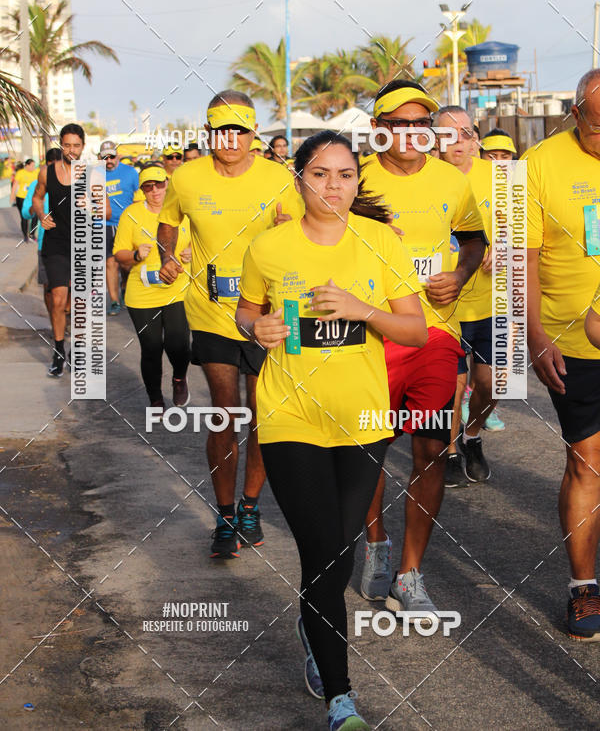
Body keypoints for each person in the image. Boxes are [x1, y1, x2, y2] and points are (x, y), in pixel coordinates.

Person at [236, 129, 426, 731]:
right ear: (299, 179)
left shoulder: (380, 244)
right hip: (290, 417)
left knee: (339, 552)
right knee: (322, 556)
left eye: (345, 174)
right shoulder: (268, 247)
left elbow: (415, 332)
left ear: (357, 181)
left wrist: (360, 309)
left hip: (362, 419)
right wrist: (256, 328)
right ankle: (340, 698)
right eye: (320, 174)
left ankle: (310, 624)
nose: (333, 186)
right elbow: (247, 308)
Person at [358, 80, 486, 612]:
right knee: (368, 451)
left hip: (435, 334)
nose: (412, 133)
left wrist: (458, 273)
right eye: (400, 123)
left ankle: (410, 574)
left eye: (421, 124)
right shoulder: (352, 179)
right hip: (368, 338)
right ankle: (376, 545)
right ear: (379, 130)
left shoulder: (452, 182)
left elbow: (474, 239)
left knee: (431, 449)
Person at [157, 91, 302, 558]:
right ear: (209, 133)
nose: (232, 139)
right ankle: (223, 517)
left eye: (241, 130)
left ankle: (250, 507)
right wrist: (166, 255)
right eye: (223, 129)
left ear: (252, 134)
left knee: (263, 413)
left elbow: (305, 236)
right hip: (211, 311)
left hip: (270, 315)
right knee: (224, 411)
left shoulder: (278, 177)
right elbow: (167, 221)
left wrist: (287, 228)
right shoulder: (187, 177)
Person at [524, 68, 600, 641]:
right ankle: (583, 588)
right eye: (598, 129)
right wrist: (534, 333)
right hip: (571, 343)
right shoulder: (539, 165)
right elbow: (521, 257)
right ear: (576, 114)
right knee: (586, 462)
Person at [437, 106, 503, 487]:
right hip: (444, 303)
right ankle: (447, 451)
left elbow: (525, 231)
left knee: (494, 383)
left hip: (493, 299)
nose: (458, 141)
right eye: (448, 135)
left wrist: (503, 248)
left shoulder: (501, 178)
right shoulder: (429, 179)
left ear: (476, 137)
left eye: (465, 132)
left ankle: (472, 436)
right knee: (451, 384)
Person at [32, 124, 111, 377]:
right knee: (57, 299)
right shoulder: (46, 172)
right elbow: (36, 197)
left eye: (76, 145)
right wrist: (42, 214)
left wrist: (91, 205)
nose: (72, 150)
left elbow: (107, 210)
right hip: (55, 243)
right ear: (60, 144)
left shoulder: (93, 175)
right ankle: (58, 351)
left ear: (83, 147)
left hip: (83, 244)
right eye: (67, 145)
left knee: (79, 303)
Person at [114, 164, 191, 409]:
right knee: (151, 347)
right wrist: (136, 255)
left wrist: (194, 251)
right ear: (142, 190)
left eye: (159, 184)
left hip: (178, 289)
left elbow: (207, 241)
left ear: (167, 184)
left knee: (178, 342)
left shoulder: (184, 211)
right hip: (143, 292)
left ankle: (179, 377)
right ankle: (155, 398)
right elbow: (119, 254)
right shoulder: (131, 214)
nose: (155, 191)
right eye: (148, 187)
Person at [99, 140, 139, 316]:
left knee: (127, 264)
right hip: (105, 225)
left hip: (127, 223)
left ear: (118, 156)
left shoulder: (130, 172)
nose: (109, 160)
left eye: (112, 156)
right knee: (110, 262)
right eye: (104, 157)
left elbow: (139, 197)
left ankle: (124, 287)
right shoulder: (94, 175)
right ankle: (114, 301)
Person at [21, 148, 61, 320]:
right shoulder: (36, 185)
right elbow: (26, 213)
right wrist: (37, 208)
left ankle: (64, 315)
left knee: (69, 286)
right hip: (45, 244)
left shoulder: (72, 182)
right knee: (48, 287)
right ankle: (55, 320)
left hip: (70, 242)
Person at [11, 157, 39, 241]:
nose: (33, 167)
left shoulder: (36, 172)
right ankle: (25, 236)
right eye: (32, 165)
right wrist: (12, 196)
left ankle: (32, 234)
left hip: (33, 197)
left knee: (35, 216)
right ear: (26, 165)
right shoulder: (20, 173)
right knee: (24, 217)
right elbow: (15, 185)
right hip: (21, 198)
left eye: (34, 166)